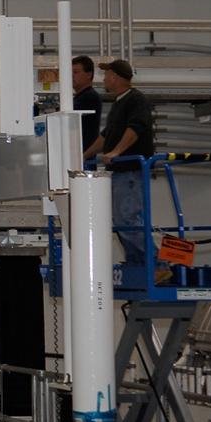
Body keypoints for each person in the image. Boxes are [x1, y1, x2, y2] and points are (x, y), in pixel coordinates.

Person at [81, 59, 166, 282]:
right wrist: (84, 155)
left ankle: (156, 263)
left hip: (131, 170)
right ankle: (138, 263)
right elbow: (106, 135)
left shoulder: (136, 100)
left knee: (127, 218)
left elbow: (135, 129)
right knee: (121, 219)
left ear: (115, 77)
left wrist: (117, 152)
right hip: (120, 171)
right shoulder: (119, 103)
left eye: (106, 75)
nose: (103, 79)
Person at [72, 55, 103, 152]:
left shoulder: (90, 97)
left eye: (75, 72)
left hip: (83, 156)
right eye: (70, 72)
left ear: (89, 74)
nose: (71, 76)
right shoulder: (79, 97)